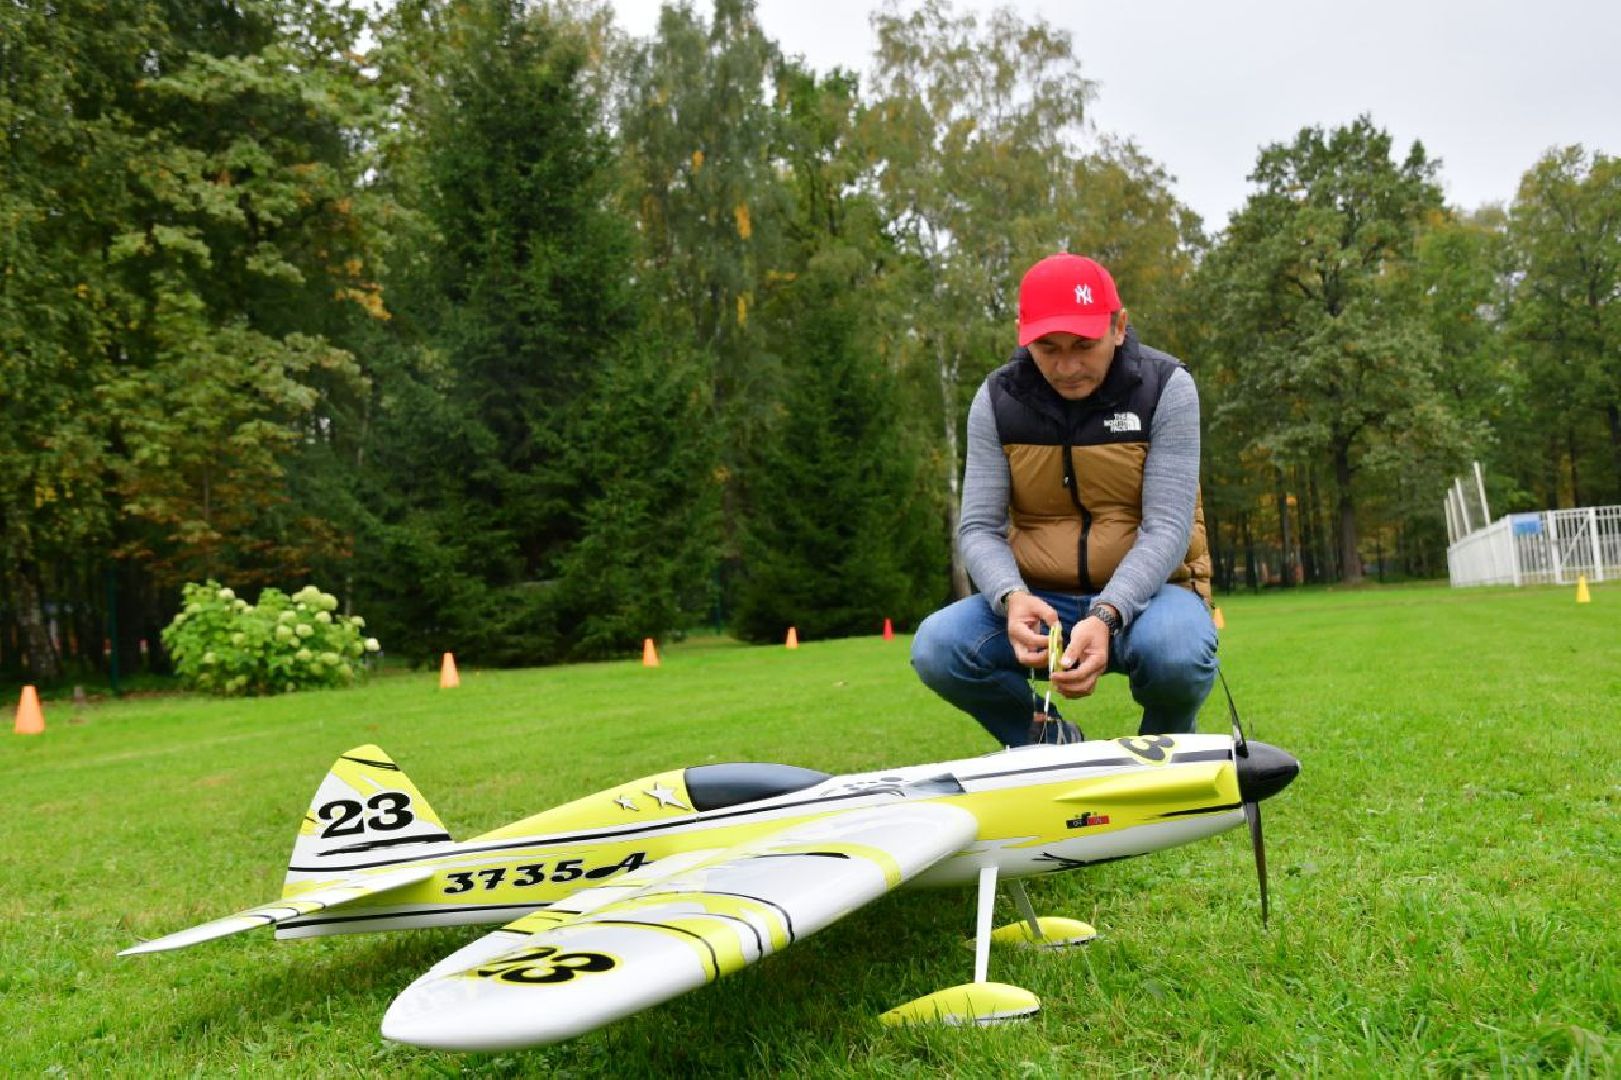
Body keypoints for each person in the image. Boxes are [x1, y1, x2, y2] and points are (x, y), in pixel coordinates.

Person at [911, 253, 1216, 746]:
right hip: (1039, 598)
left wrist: (1106, 613)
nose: (1067, 366)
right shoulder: (995, 399)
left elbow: (1167, 528)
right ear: (1022, 334)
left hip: (1152, 598)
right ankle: (1043, 740)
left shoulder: (1167, 388)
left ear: (1119, 327)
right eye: (1047, 347)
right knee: (938, 646)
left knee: (1177, 651)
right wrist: (1011, 598)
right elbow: (978, 529)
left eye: (1084, 345)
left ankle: (1165, 751)